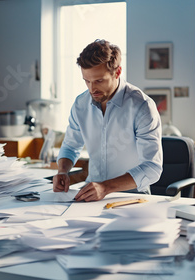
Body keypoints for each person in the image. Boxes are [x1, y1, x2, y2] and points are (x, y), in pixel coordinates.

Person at [53, 39, 163, 202]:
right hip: (90, 194)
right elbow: (70, 145)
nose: (92, 89)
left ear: (117, 72)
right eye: (87, 81)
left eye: (99, 81)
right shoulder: (80, 104)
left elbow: (152, 168)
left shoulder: (142, 106)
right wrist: (62, 171)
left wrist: (105, 187)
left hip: (131, 197)